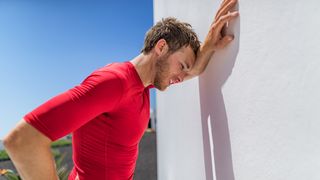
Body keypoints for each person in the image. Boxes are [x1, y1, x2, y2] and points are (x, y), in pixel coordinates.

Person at [3, 0, 239, 179]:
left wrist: (208, 47)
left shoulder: (142, 88)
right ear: (161, 47)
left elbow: (190, 72)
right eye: (181, 66)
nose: (181, 76)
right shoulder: (114, 82)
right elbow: (22, 140)